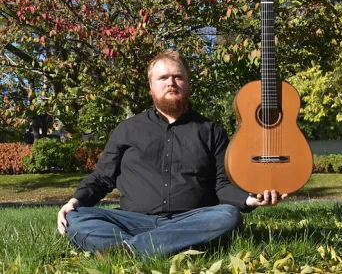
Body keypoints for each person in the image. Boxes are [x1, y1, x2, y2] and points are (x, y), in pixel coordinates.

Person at [57, 49, 287, 258]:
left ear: (188, 84)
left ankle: (127, 250)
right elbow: (102, 177)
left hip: (191, 219)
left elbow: (222, 184)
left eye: (178, 77)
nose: (171, 83)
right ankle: (170, 245)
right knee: (77, 218)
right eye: (163, 78)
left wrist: (249, 199)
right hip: (133, 220)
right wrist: (75, 201)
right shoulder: (128, 129)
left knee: (228, 216)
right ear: (151, 86)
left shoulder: (210, 130)